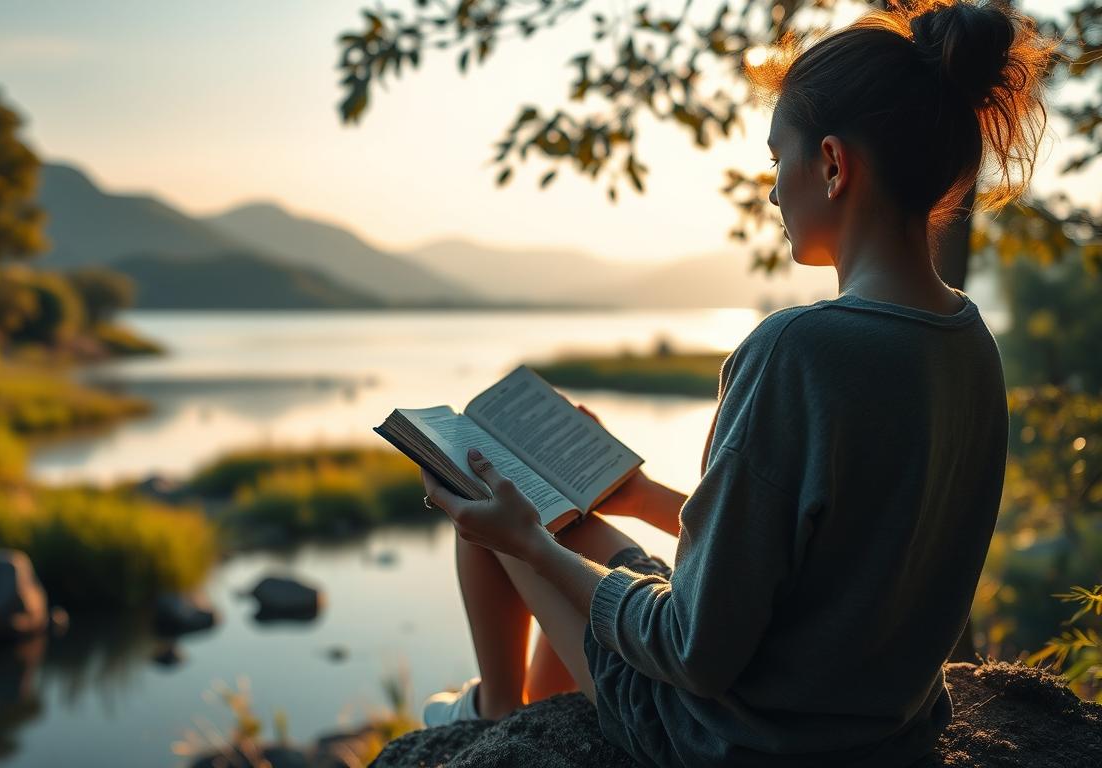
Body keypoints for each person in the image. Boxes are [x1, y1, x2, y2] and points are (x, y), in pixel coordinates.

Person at [418, 0, 1056, 765]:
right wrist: (639, 497)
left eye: (776, 160)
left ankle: (492, 715)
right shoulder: (969, 344)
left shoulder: (798, 350)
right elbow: (826, 557)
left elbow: (693, 652)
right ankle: (507, 704)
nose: (772, 189)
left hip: (731, 736)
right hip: (880, 727)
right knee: (567, 519)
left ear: (831, 164)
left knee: (496, 507)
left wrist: (527, 540)